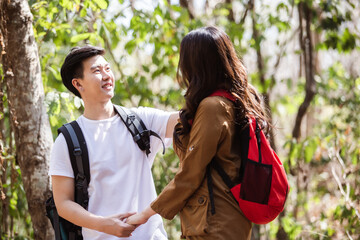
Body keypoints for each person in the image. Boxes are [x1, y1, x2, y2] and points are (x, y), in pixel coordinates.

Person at [126, 26, 271, 239]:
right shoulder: (235, 100)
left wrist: (144, 215)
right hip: (227, 219)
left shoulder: (213, 107)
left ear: (195, 65)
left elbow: (191, 174)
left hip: (212, 223)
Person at [49, 45, 178, 239]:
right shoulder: (68, 140)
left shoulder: (140, 120)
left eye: (108, 68)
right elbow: (63, 204)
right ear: (78, 84)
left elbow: (187, 121)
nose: (107, 75)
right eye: (97, 71)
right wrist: (103, 225)